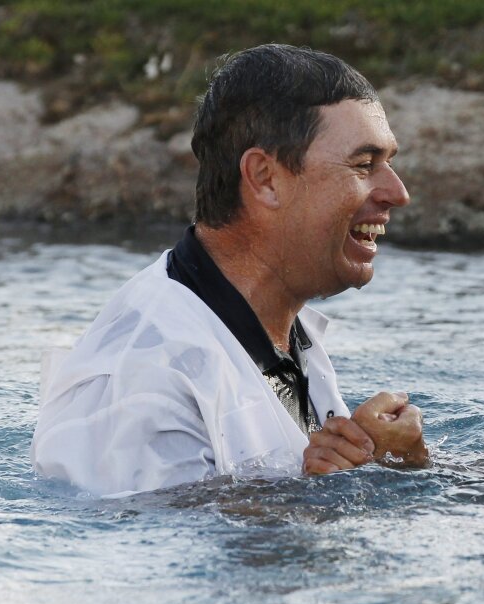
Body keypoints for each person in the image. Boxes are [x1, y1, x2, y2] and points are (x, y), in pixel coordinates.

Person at [31, 43, 428, 497]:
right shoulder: (145, 378)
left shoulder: (274, 326)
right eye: (364, 164)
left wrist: (399, 462)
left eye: (389, 163)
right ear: (264, 177)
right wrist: (314, 496)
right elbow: (158, 549)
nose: (397, 192)